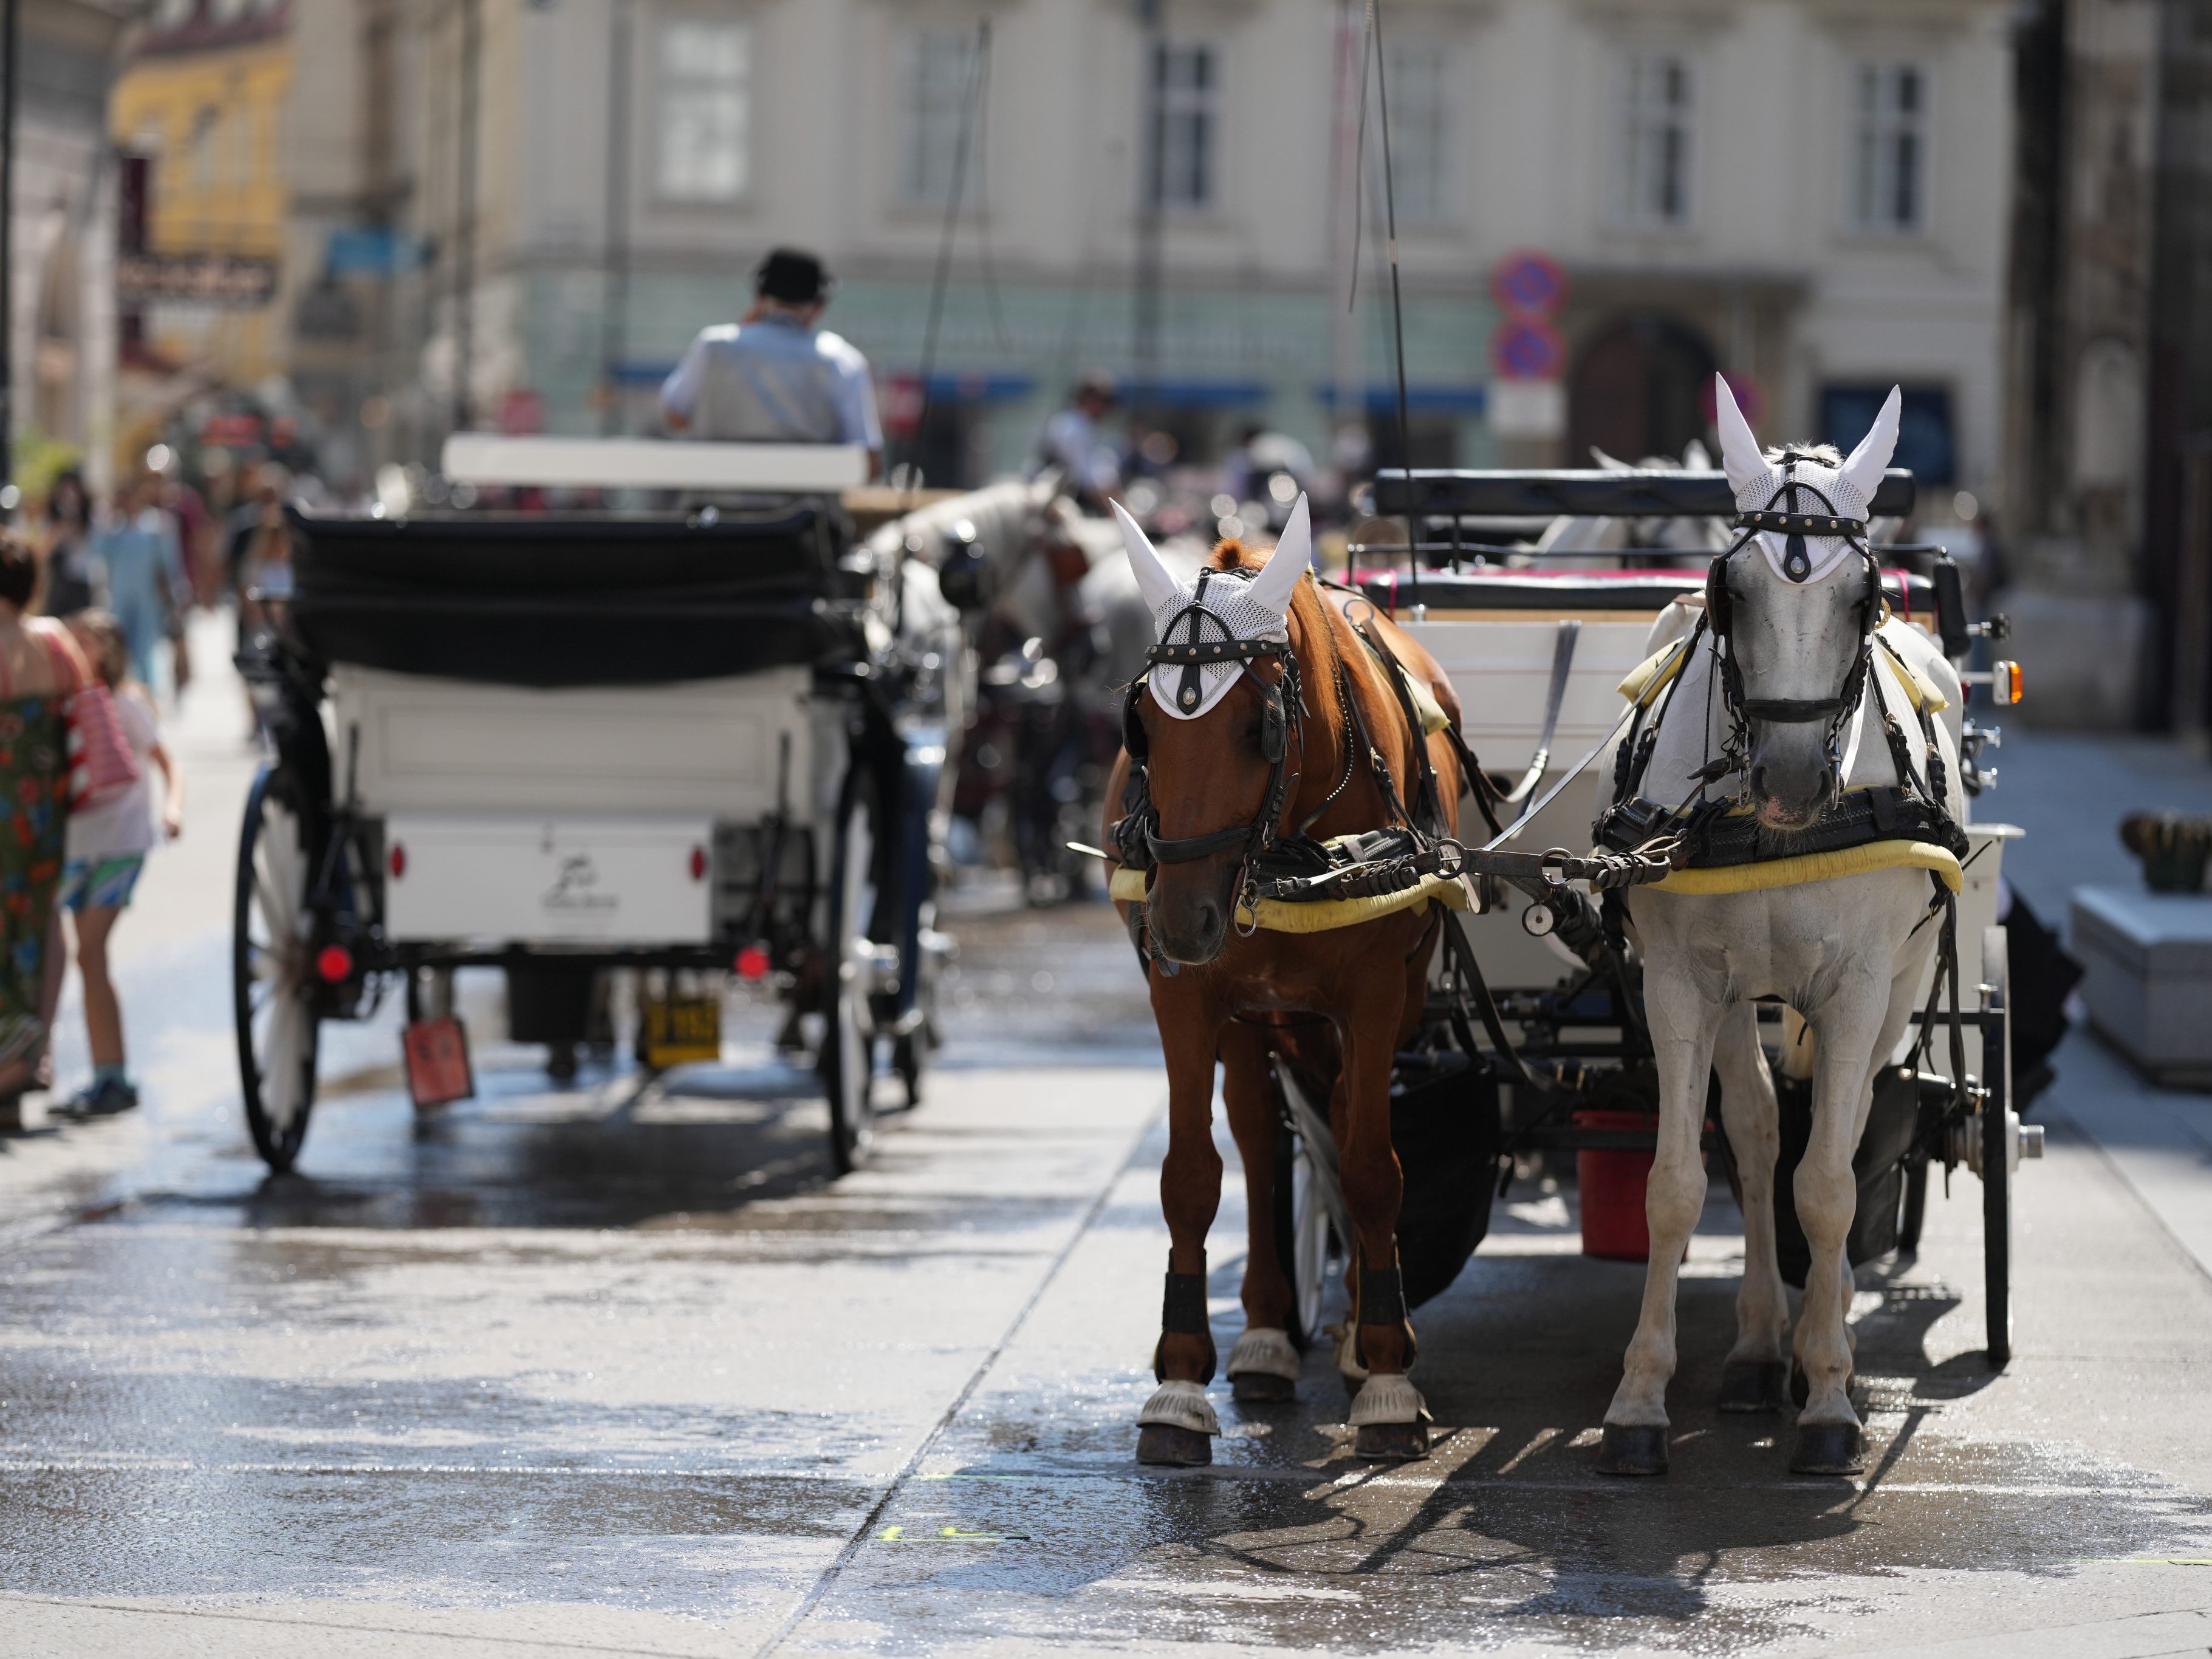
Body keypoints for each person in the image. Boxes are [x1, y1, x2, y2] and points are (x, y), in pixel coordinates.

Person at [50, 611, 180, 1120]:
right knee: (86, 958)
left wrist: (172, 807)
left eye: (83, 644)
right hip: (77, 848)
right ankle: (104, 1073)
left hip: (121, 844)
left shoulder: (123, 702)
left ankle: (113, 1075)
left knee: (90, 952)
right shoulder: (66, 705)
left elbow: (166, 759)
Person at [0, 533, 91, 1131]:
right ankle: (35, 1046)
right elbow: (90, 705)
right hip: (46, 811)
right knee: (42, 918)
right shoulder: (56, 641)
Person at [659, 247, 883, 477]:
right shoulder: (842, 360)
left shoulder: (715, 346)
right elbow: (869, 460)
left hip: (716, 503)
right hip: (808, 508)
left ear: (759, 299)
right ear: (817, 308)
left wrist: (742, 329)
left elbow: (675, 414)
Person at [88, 473, 187, 689]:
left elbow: (170, 564)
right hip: (120, 598)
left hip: (148, 600)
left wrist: (178, 596)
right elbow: (95, 553)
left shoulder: (156, 525)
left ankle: (149, 699)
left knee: (146, 652)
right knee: (121, 651)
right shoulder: (113, 528)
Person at [1032, 372, 1121, 505]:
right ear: (1088, 399)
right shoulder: (1071, 428)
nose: (1107, 409)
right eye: (1104, 402)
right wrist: (1113, 513)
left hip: (1064, 498)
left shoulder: (1083, 427)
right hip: (1049, 502)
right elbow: (1085, 480)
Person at [36, 469, 98, 618]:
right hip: (58, 582)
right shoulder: (51, 516)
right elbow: (43, 551)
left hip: (81, 581)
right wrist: (60, 531)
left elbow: (94, 544)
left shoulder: (90, 516)